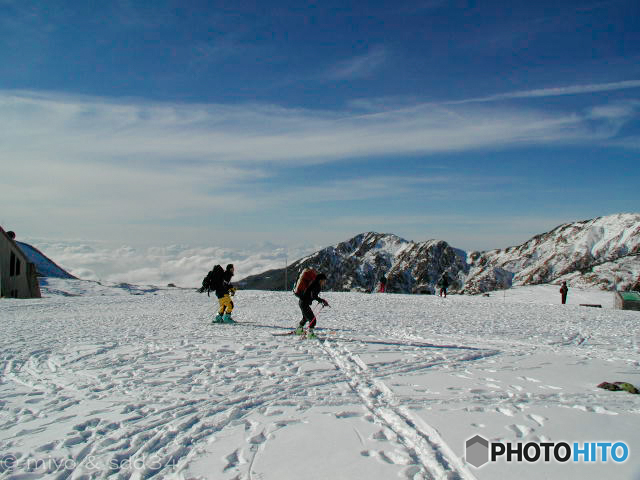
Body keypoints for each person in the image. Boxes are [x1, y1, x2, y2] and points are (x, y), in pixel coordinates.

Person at [296, 272, 329, 338]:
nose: (324, 282)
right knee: (313, 320)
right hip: (304, 303)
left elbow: (312, 294)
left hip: (302, 302)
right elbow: (313, 295)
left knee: (305, 318)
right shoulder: (317, 285)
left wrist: (321, 300)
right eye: (324, 281)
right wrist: (322, 301)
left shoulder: (313, 283)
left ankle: (299, 330)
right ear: (320, 280)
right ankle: (310, 334)